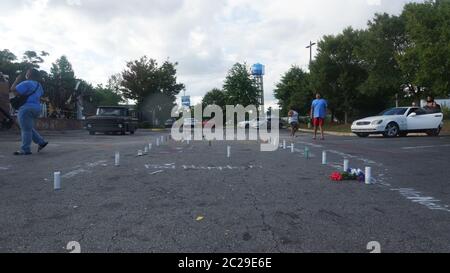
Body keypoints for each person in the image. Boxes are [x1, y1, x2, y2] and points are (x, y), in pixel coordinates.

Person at [10, 68, 48, 155]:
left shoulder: (26, 83)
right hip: (37, 108)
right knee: (28, 127)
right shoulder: (39, 85)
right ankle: (41, 142)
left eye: (27, 73)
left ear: (29, 75)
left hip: (26, 108)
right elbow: (40, 94)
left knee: (25, 129)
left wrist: (17, 80)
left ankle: (25, 149)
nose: (26, 74)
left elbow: (13, 90)